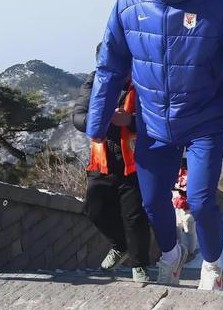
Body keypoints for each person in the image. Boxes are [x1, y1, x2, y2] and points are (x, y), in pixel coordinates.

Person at [86, 0, 223, 291]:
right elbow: (110, 66)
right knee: (152, 203)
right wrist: (96, 124)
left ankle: (213, 265)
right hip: (152, 124)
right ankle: (170, 254)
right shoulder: (129, 0)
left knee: (200, 200)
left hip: (204, 122)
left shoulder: (220, 4)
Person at [72, 44, 151, 282]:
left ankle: (140, 266)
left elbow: (157, 119)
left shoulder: (143, 81)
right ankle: (120, 245)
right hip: (102, 160)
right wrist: (100, 119)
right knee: (94, 210)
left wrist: (130, 120)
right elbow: (78, 116)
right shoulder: (93, 82)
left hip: (134, 162)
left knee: (134, 215)